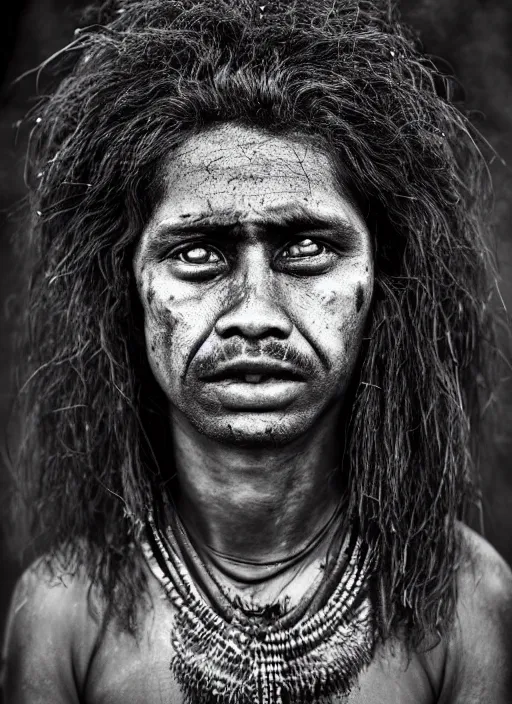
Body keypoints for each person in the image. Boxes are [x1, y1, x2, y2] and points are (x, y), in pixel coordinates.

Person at [2, 0, 512, 702]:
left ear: (382, 278)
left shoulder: (467, 604)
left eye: (305, 248)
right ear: (128, 284)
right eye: (199, 252)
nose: (255, 316)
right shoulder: (63, 616)